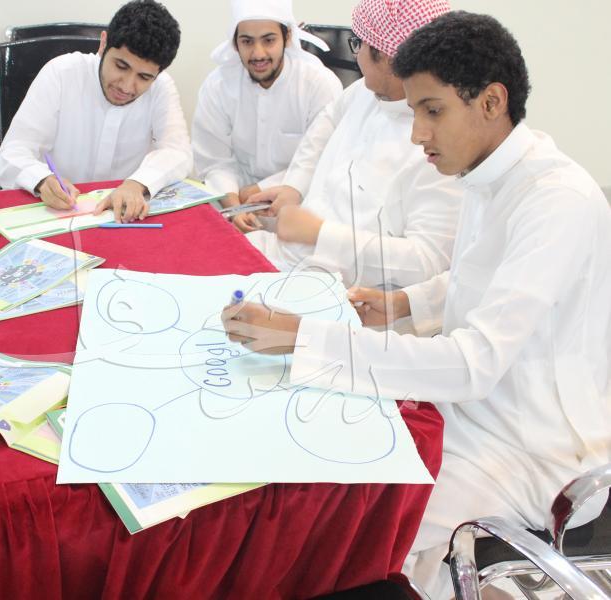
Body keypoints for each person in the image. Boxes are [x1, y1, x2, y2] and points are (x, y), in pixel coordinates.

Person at [222, 11, 611, 599]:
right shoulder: (490, 170)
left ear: (491, 102)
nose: (417, 135)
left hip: (531, 446)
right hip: (468, 413)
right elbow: (475, 277)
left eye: (432, 111)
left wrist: (305, 339)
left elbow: (473, 362)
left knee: (345, 530)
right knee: (323, 478)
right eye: (414, 112)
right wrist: (404, 302)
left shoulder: (556, 201)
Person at [242, 0, 460, 291]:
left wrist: (321, 234)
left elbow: (425, 260)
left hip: (342, 293)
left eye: (359, 44)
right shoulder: (366, 92)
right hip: (286, 254)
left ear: (388, 58)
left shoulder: (441, 145)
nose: (356, 56)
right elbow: (326, 124)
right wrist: (295, 186)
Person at [0, 0, 192, 223]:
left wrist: (137, 183)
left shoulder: (161, 87)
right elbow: (12, 153)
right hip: (58, 216)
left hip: (122, 219)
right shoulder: (61, 73)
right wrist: (41, 180)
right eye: (121, 66)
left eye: (144, 77)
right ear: (103, 43)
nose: (127, 87)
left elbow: (178, 152)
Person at [191, 0, 342, 233]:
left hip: (302, 204)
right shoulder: (217, 86)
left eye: (268, 40)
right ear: (235, 43)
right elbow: (214, 161)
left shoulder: (318, 84)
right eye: (247, 41)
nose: (258, 53)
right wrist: (234, 208)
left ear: (287, 37)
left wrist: (257, 190)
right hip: (234, 202)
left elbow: (323, 159)